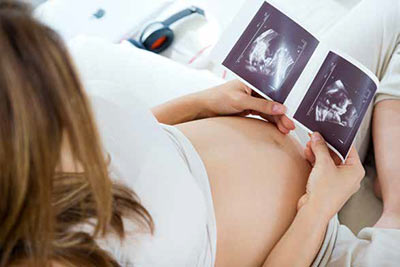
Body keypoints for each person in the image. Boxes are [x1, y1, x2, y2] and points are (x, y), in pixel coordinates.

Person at [0, 1, 398, 267]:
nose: (74, 103)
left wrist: (202, 104)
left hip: (304, 127)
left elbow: (133, 134)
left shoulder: (56, 113)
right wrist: (319, 208)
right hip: (312, 245)